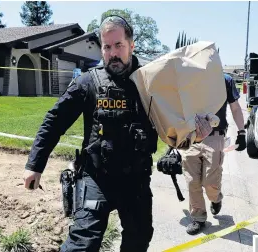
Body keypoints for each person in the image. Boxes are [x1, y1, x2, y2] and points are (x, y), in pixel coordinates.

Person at [22, 15, 215, 252]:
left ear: (131, 45)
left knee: (138, 239)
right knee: (82, 245)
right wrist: (35, 164)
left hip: (136, 181)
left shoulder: (151, 84)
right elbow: (54, 121)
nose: (112, 53)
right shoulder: (87, 83)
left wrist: (192, 138)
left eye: (118, 45)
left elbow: (176, 125)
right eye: (106, 47)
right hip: (96, 178)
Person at [179, 73, 247, 235]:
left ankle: (216, 198)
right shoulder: (186, 79)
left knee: (210, 182)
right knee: (192, 181)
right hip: (191, 137)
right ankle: (199, 218)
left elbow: (235, 108)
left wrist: (242, 132)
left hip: (214, 138)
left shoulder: (225, 80)